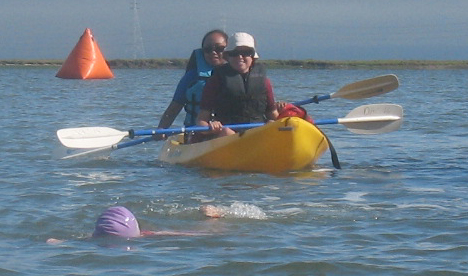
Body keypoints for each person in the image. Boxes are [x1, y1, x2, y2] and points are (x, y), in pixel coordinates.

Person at [196, 32, 279, 138]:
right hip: (227, 136)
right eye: (234, 53)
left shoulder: (265, 82)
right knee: (226, 132)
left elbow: (273, 115)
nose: (240, 57)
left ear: (252, 57)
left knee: (271, 124)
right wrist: (212, 128)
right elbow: (201, 121)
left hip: (258, 134)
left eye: (246, 52)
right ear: (228, 56)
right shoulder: (216, 81)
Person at [157, 30, 228, 131]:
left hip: (228, 131)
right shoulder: (192, 76)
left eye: (219, 48)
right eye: (208, 49)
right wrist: (161, 129)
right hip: (197, 133)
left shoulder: (237, 75)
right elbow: (174, 107)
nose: (213, 52)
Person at [46, 206, 208, 244]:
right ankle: (212, 216)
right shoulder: (146, 235)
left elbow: (79, 241)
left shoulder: (92, 239)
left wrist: (58, 242)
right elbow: (176, 234)